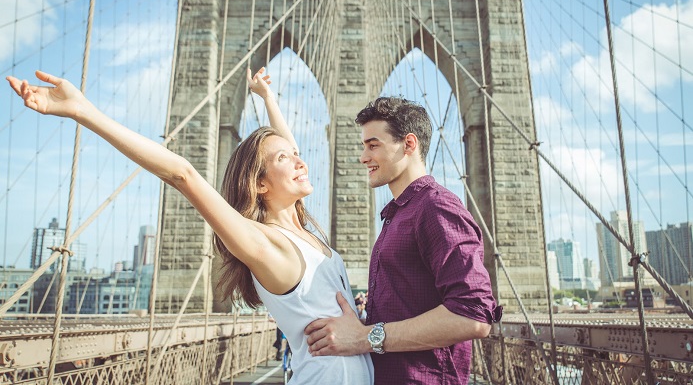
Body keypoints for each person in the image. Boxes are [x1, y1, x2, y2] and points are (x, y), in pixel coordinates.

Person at [6, 68, 374, 385]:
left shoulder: (305, 232)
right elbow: (183, 173)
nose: (300, 162)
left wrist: (268, 97)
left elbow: (288, 148)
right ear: (260, 184)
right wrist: (83, 111)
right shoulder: (266, 244)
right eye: (285, 159)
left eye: (297, 157)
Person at [304, 96, 502, 384]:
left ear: (409, 144)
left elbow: (473, 316)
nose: (363, 157)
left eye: (373, 145)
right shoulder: (399, 215)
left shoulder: (436, 207)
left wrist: (363, 337)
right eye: (363, 146)